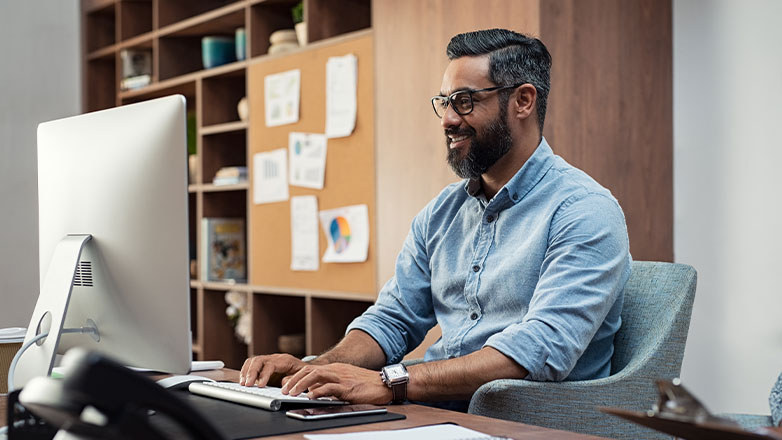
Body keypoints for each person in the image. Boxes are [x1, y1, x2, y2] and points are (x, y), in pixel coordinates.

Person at [240, 28, 631, 410]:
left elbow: (540, 348)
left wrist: (391, 383)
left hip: (528, 423)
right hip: (434, 411)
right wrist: (317, 369)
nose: (447, 119)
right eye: (444, 102)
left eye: (464, 101)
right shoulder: (441, 213)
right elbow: (394, 318)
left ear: (523, 101)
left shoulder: (584, 210)